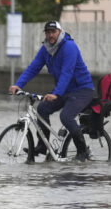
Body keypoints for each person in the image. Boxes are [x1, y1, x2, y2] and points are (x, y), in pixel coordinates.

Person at [8, 21, 95, 161]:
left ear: (60, 32)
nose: (50, 35)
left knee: (66, 117)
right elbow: (33, 68)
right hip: (64, 90)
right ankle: (43, 146)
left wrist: (56, 93)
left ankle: (82, 151)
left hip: (82, 90)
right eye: (47, 32)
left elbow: (67, 72)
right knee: (42, 108)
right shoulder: (46, 49)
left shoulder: (69, 47)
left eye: (53, 32)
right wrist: (18, 85)